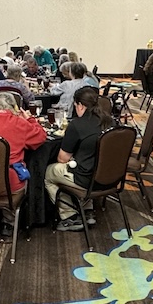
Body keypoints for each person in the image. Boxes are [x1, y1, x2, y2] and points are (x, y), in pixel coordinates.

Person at [46, 86, 113, 231]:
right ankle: (87, 209)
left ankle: (70, 215)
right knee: (85, 163)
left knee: (49, 173)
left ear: (80, 105)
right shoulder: (110, 121)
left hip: (87, 179)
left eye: (75, 105)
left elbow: (62, 158)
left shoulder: (76, 125)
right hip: (111, 177)